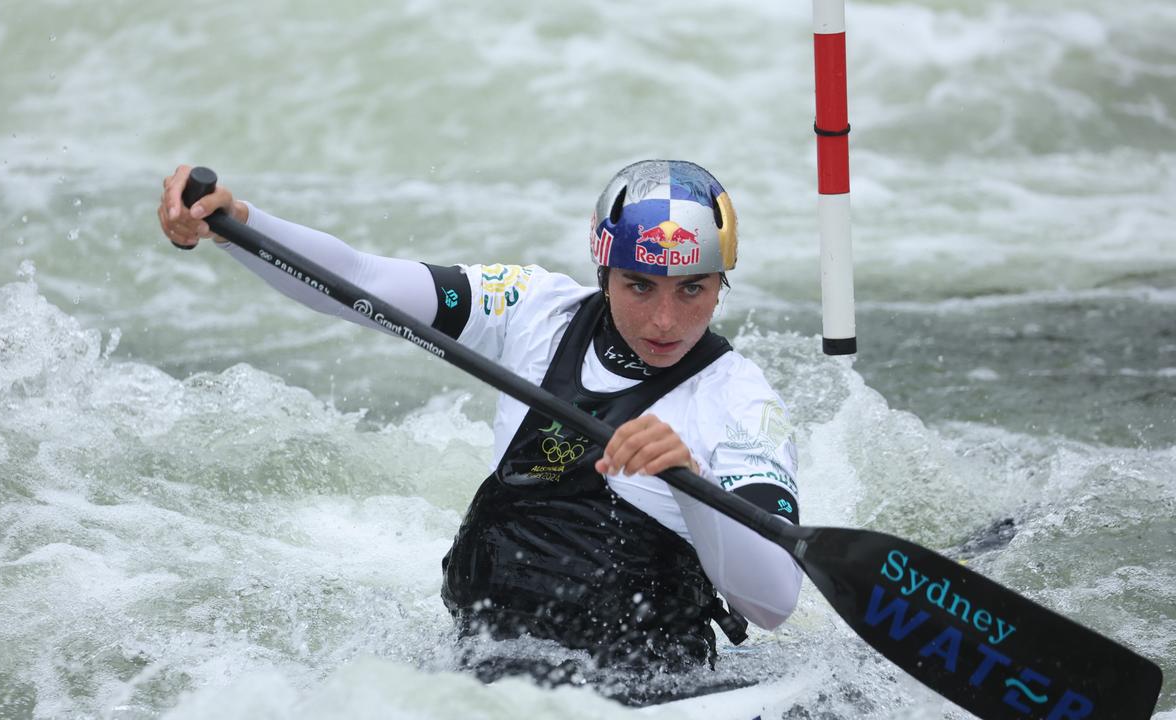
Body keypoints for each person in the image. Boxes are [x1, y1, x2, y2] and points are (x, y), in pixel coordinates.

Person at [158, 159, 803, 702]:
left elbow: (774, 600)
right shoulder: (531, 309)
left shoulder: (741, 405)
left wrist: (690, 482)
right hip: (483, 668)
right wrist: (239, 226)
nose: (665, 319)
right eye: (640, 286)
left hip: (645, 686)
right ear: (604, 272)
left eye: (692, 290)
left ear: (722, 285)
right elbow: (362, 282)